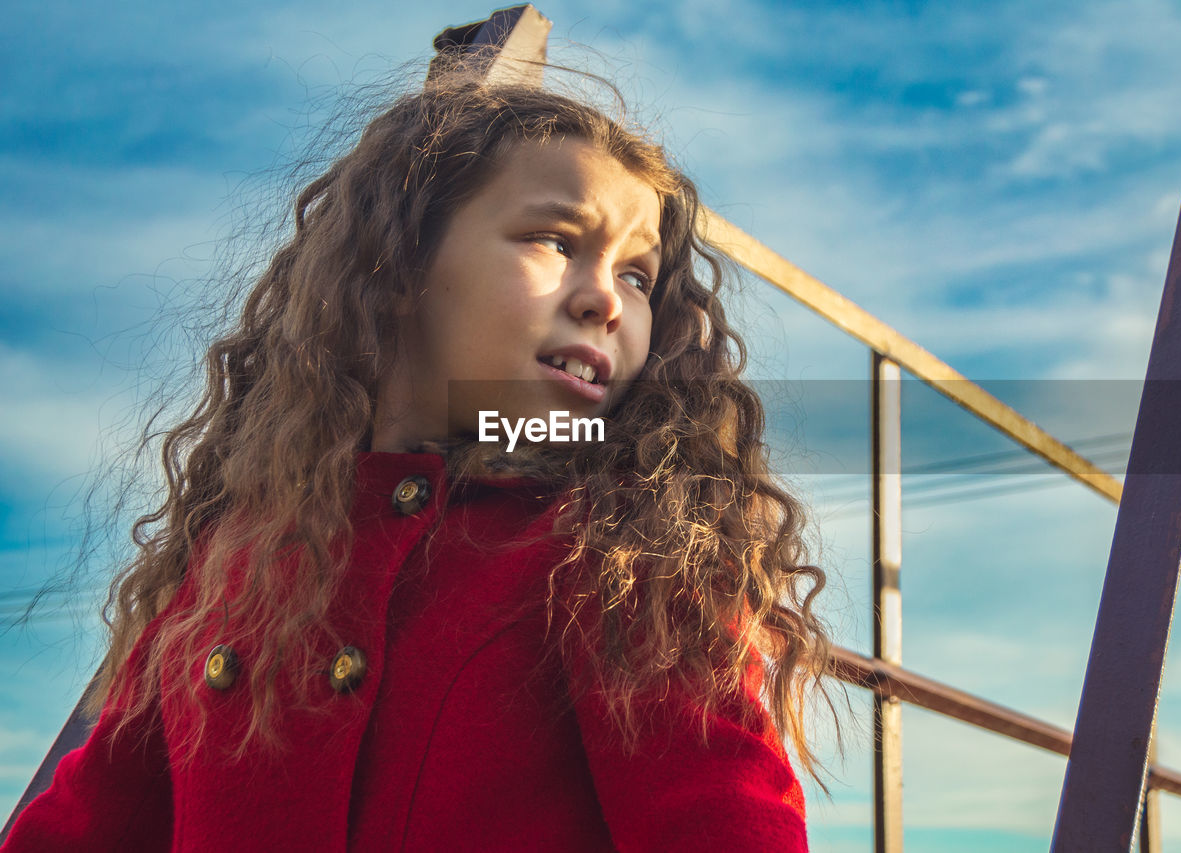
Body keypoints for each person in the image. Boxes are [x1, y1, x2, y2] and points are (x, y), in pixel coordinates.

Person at [1, 56, 838, 852]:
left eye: (638, 276)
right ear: (396, 264)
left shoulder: (624, 562)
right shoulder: (236, 565)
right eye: (554, 240)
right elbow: (86, 825)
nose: (603, 300)